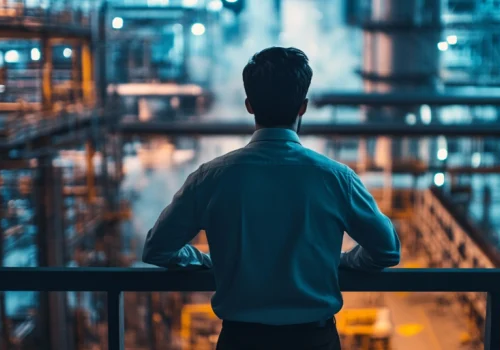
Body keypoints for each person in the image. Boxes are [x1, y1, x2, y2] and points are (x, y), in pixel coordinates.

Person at [142, 47, 400, 350]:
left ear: (249, 105)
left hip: (241, 340)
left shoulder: (212, 177)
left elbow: (157, 249)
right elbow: (386, 251)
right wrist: (340, 263)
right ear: (302, 107)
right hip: (313, 340)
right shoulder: (335, 178)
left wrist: (208, 263)